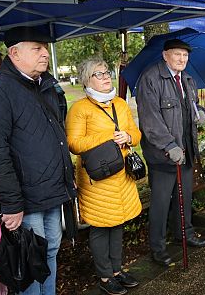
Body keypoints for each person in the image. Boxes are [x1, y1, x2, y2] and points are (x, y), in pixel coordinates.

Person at [0, 26, 76, 295]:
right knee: (29, 262)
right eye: (36, 48)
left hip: (52, 191)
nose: (44, 53)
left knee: (49, 253)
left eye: (45, 48)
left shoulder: (44, 83)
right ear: (14, 53)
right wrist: (12, 203)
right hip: (25, 199)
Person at [66, 57, 142, 295]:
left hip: (121, 175)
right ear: (87, 80)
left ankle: (117, 271)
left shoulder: (119, 103)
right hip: (97, 178)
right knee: (100, 227)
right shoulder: (80, 108)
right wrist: (109, 137)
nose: (106, 77)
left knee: (118, 224)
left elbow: (135, 133)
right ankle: (105, 276)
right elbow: (73, 143)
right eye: (98, 74)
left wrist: (128, 138)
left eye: (106, 72)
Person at [137, 38, 205, 268]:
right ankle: (157, 248)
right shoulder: (151, 79)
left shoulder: (186, 79)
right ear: (165, 55)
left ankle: (184, 233)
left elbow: (193, 106)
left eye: (185, 55)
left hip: (186, 150)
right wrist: (169, 145)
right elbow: (150, 120)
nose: (182, 59)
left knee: (184, 197)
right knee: (160, 203)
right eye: (177, 54)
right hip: (163, 155)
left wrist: (202, 113)